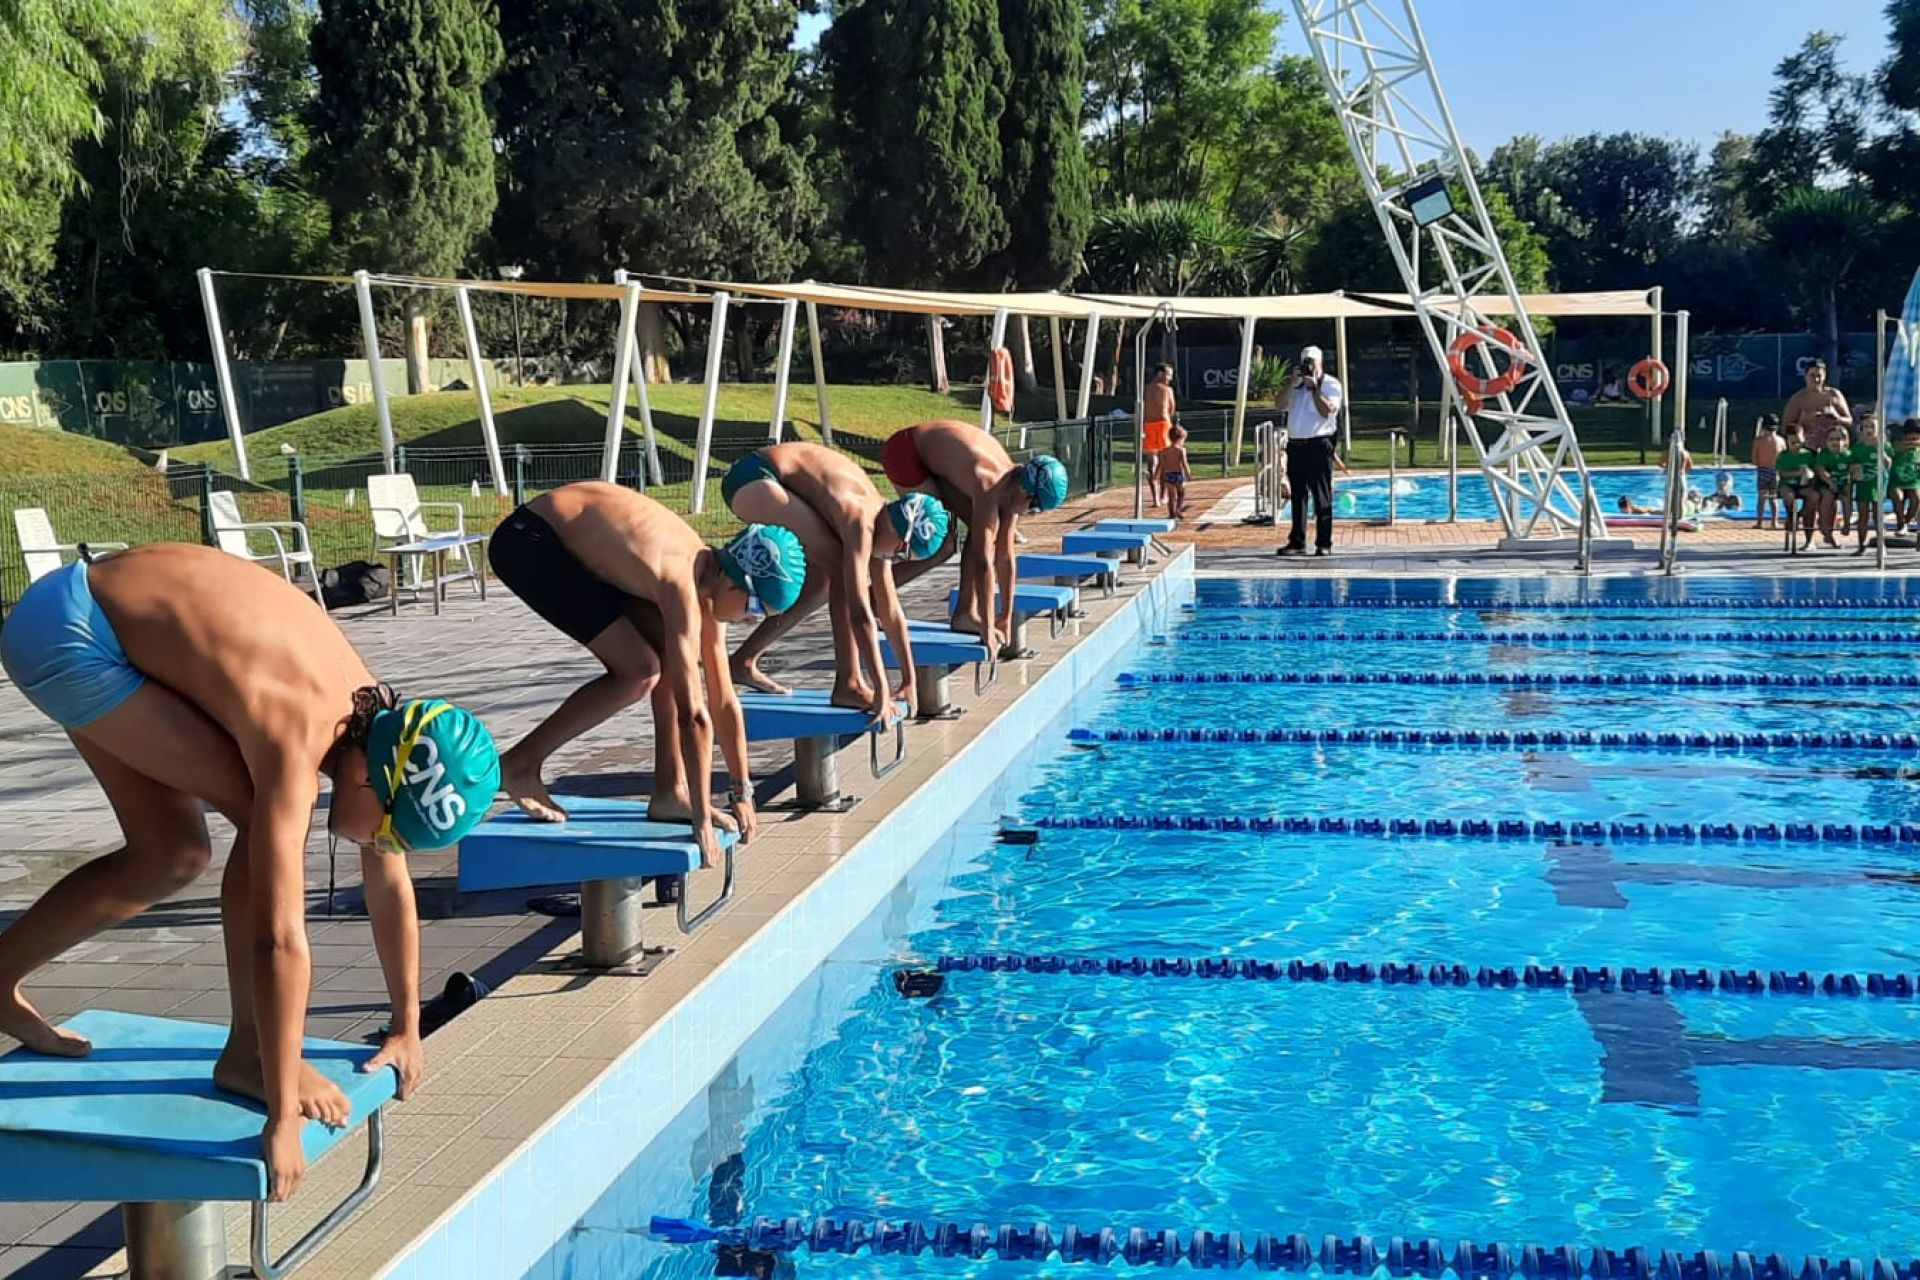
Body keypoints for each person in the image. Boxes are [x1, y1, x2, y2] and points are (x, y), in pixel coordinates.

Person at [0, 543, 500, 1201]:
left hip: (86, 610)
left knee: (170, 854)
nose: (382, 847)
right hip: (71, 633)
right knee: (252, 809)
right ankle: (249, 1056)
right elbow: (278, 938)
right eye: (387, 831)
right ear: (364, 777)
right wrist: (282, 1108)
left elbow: (389, 884)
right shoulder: (299, 737)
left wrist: (407, 1025)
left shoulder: (378, 727)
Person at [487, 484, 805, 858]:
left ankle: (671, 792)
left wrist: (742, 791)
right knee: (639, 671)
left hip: (572, 542)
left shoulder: (710, 578)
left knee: (669, 657)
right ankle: (519, 765)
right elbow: (694, 716)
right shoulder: (680, 583)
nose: (748, 622)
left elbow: (724, 700)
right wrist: (703, 817)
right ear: (735, 583)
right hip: (529, 540)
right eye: (754, 612)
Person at [721, 442, 949, 722]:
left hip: (773, 478)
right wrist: (881, 688)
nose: (894, 559)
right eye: (901, 554)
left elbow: (890, 611)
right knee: (840, 567)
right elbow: (860, 613)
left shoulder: (885, 522)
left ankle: (743, 661)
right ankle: (849, 683)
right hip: (754, 478)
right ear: (899, 536)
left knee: (821, 584)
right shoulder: (861, 521)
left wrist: (909, 680)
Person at [880, 419, 1069, 657]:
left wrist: (1005, 615)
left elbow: (1005, 556)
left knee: (979, 529)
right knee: (941, 544)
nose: (1030, 514)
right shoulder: (989, 483)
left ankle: (965, 613)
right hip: (906, 453)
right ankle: (873, 599)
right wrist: (988, 626)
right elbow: (983, 563)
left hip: (931, 457)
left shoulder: (1013, 483)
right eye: (1035, 509)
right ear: (1027, 494)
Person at [1276, 344, 1343, 558]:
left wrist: (1314, 388)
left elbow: (1327, 412)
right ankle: (1297, 540)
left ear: (1320, 363)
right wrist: (1291, 382)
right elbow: (1279, 405)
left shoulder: (1330, 384)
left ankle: (1324, 542)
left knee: (1321, 495)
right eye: (1305, 363)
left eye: (1312, 363)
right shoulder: (1295, 386)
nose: (1308, 367)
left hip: (1318, 445)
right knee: (1298, 495)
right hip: (1296, 445)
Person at [1783, 358, 1852, 452]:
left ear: (1824, 376)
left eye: (1819, 376)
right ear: (1805, 376)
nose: (1816, 379)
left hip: (1833, 447)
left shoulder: (1834, 395)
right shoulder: (1798, 399)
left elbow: (1849, 421)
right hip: (1807, 449)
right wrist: (1803, 423)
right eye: (1812, 376)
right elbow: (1785, 428)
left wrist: (1837, 418)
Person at [1810, 422, 1851, 549]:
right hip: (1826, 483)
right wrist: (1830, 482)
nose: (1834, 442)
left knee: (1846, 497)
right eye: (1831, 439)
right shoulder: (1824, 454)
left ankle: (1847, 524)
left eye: (1838, 439)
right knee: (1827, 496)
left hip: (1843, 482)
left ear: (1845, 441)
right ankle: (1824, 525)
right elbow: (1821, 471)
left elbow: (1854, 468)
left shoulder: (1849, 455)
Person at [1774, 422, 1815, 547]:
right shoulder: (1783, 456)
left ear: (1803, 439)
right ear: (1787, 442)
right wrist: (1797, 473)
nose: (1796, 445)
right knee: (1788, 496)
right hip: (1788, 484)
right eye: (1793, 442)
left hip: (1804, 485)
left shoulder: (1808, 455)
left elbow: (1814, 471)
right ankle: (1792, 516)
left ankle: (1799, 515)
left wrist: (1809, 474)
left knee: (1814, 496)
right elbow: (1782, 474)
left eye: (1798, 441)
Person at [1142, 364, 1176, 509]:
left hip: (1149, 425)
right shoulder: (1167, 390)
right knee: (1163, 463)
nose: (1170, 378)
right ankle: (1161, 496)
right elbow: (1172, 409)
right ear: (1160, 374)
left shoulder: (1145, 389)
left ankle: (1157, 498)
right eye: (1169, 375)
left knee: (1153, 463)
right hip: (1162, 425)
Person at [1850, 415, 1885, 553]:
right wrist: (1855, 469)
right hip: (1863, 486)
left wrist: (1880, 450)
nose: (1869, 430)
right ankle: (1861, 544)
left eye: (1872, 426)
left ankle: (1881, 544)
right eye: (1865, 427)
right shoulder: (1857, 447)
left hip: (1878, 486)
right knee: (1863, 516)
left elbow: (1888, 464)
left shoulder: (1884, 445)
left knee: (1878, 516)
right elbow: (1851, 466)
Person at [1752, 414, 1784, 530]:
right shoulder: (1780, 441)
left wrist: (1759, 464)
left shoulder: (1759, 441)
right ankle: (1774, 522)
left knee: (1761, 498)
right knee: (1773, 498)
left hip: (1763, 470)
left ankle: (1759, 522)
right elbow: (1784, 457)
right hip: (1775, 471)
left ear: (1763, 427)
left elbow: (1754, 458)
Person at [1159, 424, 1192, 522]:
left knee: (1171, 496)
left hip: (1168, 474)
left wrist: (1162, 476)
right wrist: (1188, 473)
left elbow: (1162, 466)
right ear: (1180, 439)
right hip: (1178, 474)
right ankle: (1178, 509)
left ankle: (1171, 514)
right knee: (1181, 493)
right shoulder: (1181, 450)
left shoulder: (1164, 451)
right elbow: (1184, 463)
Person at [1893, 420, 1920, 533]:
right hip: (1897, 481)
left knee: (1916, 499)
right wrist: (1915, 443)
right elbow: (1900, 446)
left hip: (1913, 482)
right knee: (1898, 497)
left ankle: (1906, 521)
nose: (1913, 442)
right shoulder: (1897, 445)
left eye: (1916, 438)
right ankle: (1900, 522)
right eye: (1910, 438)